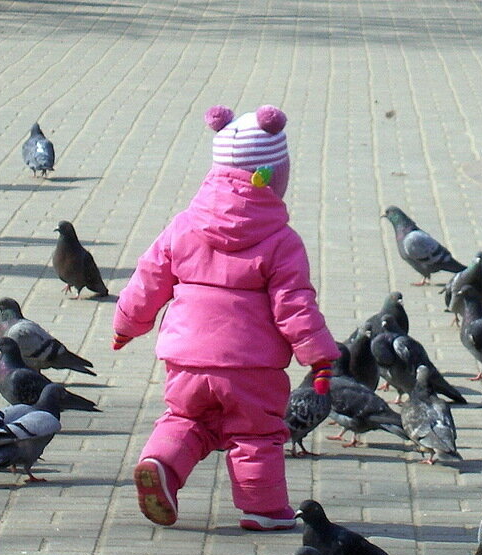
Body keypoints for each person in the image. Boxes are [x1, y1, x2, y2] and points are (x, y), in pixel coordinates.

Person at [112, 104, 339, 531]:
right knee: (256, 434)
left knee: (186, 419)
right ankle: (263, 509)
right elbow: (295, 304)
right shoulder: (281, 240)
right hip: (250, 367)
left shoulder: (183, 225)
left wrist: (127, 324)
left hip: (187, 360)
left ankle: (159, 463)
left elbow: (148, 279)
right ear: (275, 176)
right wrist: (319, 356)